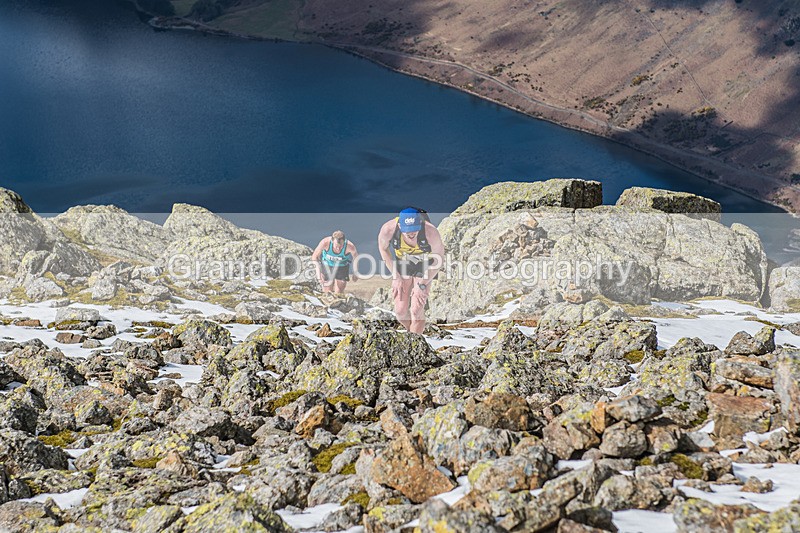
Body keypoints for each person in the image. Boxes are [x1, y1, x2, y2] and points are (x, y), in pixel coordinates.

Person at [378, 207, 444, 334]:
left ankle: (415, 339)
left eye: (414, 230)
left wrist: (423, 283)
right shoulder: (388, 229)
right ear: (399, 226)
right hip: (404, 264)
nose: (411, 234)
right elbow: (383, 249)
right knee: (400, 311)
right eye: (407, 231)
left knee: (416, 309)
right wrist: (395, 276)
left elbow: (439, 259)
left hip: (425, 265)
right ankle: (411, 335)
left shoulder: (430, 232)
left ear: (420, 224)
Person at [311, 230, 358, 294]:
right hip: (327, 264)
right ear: (332, 241)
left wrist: (355, 273)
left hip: (342, 266)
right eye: (336, 246)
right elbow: (315, 257)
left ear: (344, 242)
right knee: (327, 291)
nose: (338, 248)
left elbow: (356, 258)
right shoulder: (325, 242)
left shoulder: (350, 246)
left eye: (341, 246)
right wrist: (319, 275)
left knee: (339, 292)